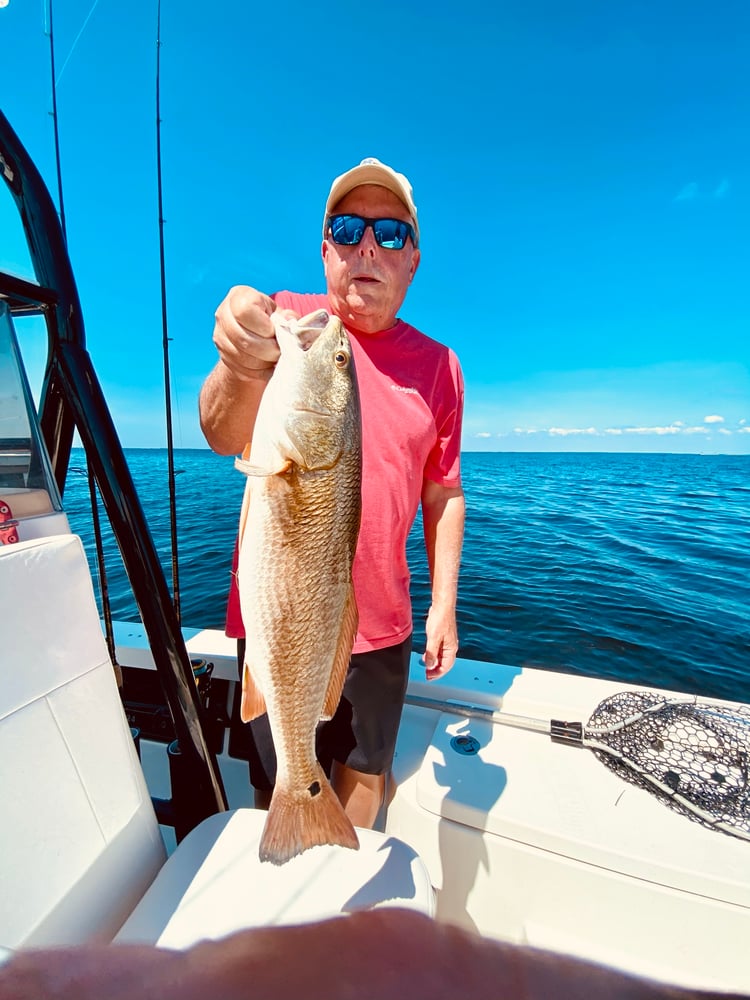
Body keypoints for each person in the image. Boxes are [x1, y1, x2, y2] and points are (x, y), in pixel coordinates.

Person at [199, 157, 465, 828]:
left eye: (390, 234)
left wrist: (444, 606)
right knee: (280, 773)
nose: (367, 247)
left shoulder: (440, 368)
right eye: (347, 229)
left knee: (366, 775)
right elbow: (220, 431)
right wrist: (239, 352)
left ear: (412, 262)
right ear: (326, 251)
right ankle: (292, 862)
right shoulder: (294, 325)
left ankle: (342, 903)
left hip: (382, 629)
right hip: (279, 615)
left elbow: (444, 492)